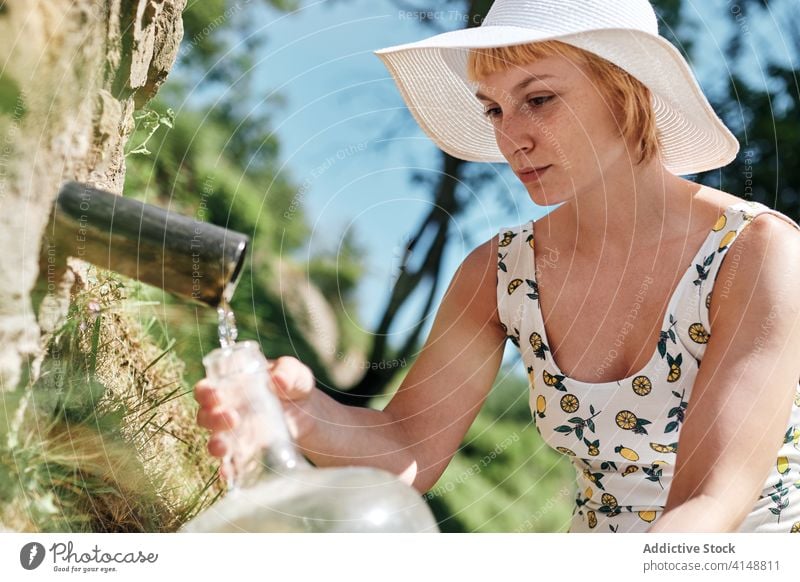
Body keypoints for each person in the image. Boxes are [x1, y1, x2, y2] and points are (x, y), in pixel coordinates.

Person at [194, 0, 800, 533]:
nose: (512, 137)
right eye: (493, 110)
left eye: (538, 99)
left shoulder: (756, 252)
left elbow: (709, 500)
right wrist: (302, 416)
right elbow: (409, 448)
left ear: (626, 91)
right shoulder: (500, 272)